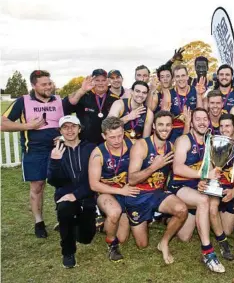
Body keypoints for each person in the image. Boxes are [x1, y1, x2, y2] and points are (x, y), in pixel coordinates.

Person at [2, 70, 66, 238]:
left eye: (50, 83)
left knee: (63, 183)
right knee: (37, 186)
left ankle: (63, 218)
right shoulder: (23, 101)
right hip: (34, 151)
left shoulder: (58, 100)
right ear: (34, 85)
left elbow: (67, 122)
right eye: (44, 84)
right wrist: (28, 126)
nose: (48, 87)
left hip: (57, 149)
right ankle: (39, 222)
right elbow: (3, 123)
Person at [168, 108, 225, 273]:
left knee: (184, 236)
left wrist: (205, 179)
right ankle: (208, 252)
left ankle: (181, 215)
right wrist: (202, 175)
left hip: (196, 185)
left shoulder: (210, 140)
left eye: (204, 119)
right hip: (179, 185)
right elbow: (177, 167)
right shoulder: (184, 140)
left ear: (208, 122)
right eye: (197, 119)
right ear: (191, 123)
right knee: (203, 201)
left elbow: (213, 168)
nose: (201, 122)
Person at [127, 111, 188, 264]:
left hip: (157, 193)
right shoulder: (141, 146)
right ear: (154, 126)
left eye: (168, 125)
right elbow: (132, 179)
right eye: (160, 124)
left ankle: (164, 243)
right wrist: (154, 167)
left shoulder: (171, 147)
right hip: (137, 195)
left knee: (181, 210)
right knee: (142, 245)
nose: (164, 128)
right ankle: (129, 217)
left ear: (172, 127)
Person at [46, 115, 97, 268]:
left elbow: (95, 179)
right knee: (65, 211)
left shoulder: (91, 148)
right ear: (60, 130)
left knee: (86, 238)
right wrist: (55, 162)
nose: (69, 130)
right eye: (65, 127)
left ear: (79, 129)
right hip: (65, 197)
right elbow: (54, 182)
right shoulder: (56, 150)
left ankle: (75, 224)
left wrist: (77, 195)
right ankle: (68, 252)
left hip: (86, 195)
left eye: (73, 126)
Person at [88, 117, 140, 262]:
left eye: (120, 135)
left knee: (123, 237)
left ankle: (102, 224)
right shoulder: (97, 154)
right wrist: (121, 191)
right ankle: (112, 244)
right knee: (114, 212)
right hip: (105, 192)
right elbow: (94, 184)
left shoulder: (132, 144)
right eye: (112, 137)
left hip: (126, 190)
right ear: (104, 136)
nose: (117, 140)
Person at [198, 114, 234, 261]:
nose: (224, 129)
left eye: (228, 126)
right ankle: (223, 244)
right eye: (222, 126)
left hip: (232, 186)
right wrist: (203, 181)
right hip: (217, 184)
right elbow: (207, 167)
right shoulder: (214, 142)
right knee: (213, 207)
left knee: (226, 229)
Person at [66, 69, 119, 144]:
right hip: (86, 142)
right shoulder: (83, 96)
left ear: (107, 82)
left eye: (103, 80)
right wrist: (82, 90)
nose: (100, 83)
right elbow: (67, 108)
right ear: (92, 81)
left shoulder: (115, 99)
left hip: (108, 143)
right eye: (97, 80)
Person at [161, 65, 206, 142]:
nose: (181, 79)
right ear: (174, 78)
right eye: (177, 76)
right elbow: (164, 118)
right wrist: (166, 113)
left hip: (193, 129)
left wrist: (199, 95)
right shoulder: (169, 93)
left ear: (187, 77)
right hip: (175, 131)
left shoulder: (196, 89)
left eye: (183, 75)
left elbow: (200, 113)